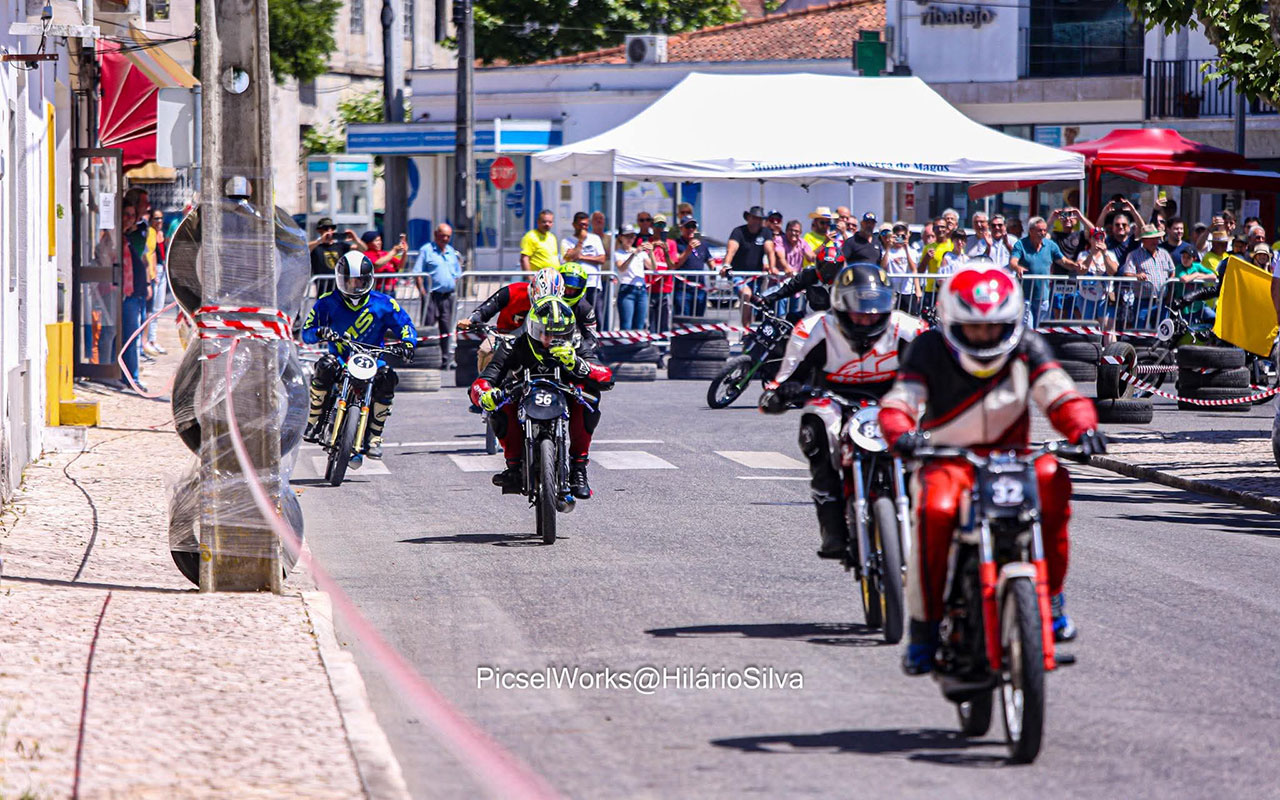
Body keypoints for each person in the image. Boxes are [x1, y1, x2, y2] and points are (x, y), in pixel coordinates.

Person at [878, 263, 1107, 674]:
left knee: (1053, 481)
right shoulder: (929, 348)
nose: (984, 334)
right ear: (952, 320)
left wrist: (1083, 427)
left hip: (1012, 459)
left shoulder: (1027, 345)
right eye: (974, 326)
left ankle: (1052, 600)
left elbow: (1058, 392)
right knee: (934, 512)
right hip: (947, 458)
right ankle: (924, 629)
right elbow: (902, 400)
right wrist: (899, 432)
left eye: (993, 326)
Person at [760, 263, 927, 558]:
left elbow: (941, 366)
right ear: (840, 305)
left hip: (894, 400)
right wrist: (779, 395)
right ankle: (833, 529)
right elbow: (783, 380)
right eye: (858, 309)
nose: (867, 315)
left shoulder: (910, 329)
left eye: (874, 308)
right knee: (816, 424)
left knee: (928, 431)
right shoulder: (813, 329)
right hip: (836, 399)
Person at [470, 296, 614, 499]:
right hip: (522, 393)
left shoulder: (576, 344)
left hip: (565, 393)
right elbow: (485, 379)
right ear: (533, 329)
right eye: (546, 333)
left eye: (560, 334)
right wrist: (486, 394)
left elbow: (606, 377)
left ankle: (578, 467)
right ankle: (513, 466)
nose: (552, 340)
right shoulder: (513, 345)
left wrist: (577, 364)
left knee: (589, 398)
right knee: (500, 406)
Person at [300, 251, 417, 459]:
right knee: (324, 365)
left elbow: (406, 325)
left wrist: (408, 344)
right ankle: (314, 421)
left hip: (373, 360)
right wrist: (320, 332)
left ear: (369, 279)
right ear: (340, 279)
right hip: (340, 359)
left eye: (360, 281)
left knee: (388, 376)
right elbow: (306, 332)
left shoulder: (385, 303)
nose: (354, 286)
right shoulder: (326, 302)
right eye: (349, 281)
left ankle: (374, 436)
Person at [414, 223, 463, 367]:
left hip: (448, 296)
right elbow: (418, 273)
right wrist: (423, 292)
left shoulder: (451, 251)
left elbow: (457, 274)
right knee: (429, 328)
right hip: (431, 296)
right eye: (442, 236)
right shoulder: (426, 250)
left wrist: (453, 286)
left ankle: (446, 359)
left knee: (446, 329)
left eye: (448, 236)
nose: (445, 239)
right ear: (436, 235)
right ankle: (426, 359)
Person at [755, 242, 844, 320]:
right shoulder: (808, 275)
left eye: (832, 268)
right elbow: (789, 288)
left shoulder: (844, 282)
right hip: (810, 316)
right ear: (818, 264)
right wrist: (767, 299)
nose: (828, 272)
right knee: (789, 319)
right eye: (825, 267)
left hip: (834, 320)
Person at [720, 206, 773, 327]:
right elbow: (731, 250)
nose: (757, 221)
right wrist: (726, 265)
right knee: (746, 294)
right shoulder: (738, 231)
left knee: (752, 305)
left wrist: (771, 266)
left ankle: (748, 331)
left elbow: (770, 250)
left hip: (757, 277)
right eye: (754, 218)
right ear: (748, 218)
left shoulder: (766, 232)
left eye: (760, 219)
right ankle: (746, 330)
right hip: (738, 275)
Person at [1010, 216, 1066, 324]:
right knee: (1028, 327)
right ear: (1031, 231)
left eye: (1045, 230)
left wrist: (1076, 266)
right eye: (1040, 230)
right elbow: (1013, 261)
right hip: (1026, 296)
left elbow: (1063, 261)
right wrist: (1017, 267)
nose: (1043, 233)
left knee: (1041, 329)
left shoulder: (1050, 245)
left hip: (1043, 296)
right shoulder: (1021, 244)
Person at [120, 202, 151, 391]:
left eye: (132, 216)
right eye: (126, 214)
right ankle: (131, 377)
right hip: (126, 295)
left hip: (136, 293)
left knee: (133, 337)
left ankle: (131, 376)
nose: (130, 219)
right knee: (130, 338)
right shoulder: (118, 238)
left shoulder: (130, 237)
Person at [1119, 225, 1176, 329]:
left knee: (1162, 330)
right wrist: (1137, 275)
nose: (1155, 241)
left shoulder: (1164, 254)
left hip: (1162, 300)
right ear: (1144, 240)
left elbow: (1172, 271)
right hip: (1143, 301)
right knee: (1140, 330)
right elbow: (1127, 273)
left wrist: (1170, 293)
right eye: (1151, 238)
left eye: (1156, 238)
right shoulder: (1134, 255)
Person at [561, 211, 607, 317]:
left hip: (593, 283)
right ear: (574, 225)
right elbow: (569, 258)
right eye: (581, 224)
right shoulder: (566, 241)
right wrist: (580, 241)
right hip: (575, 285)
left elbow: (602, 259)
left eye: (586, 225)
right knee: (578, 315)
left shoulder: (595, 238)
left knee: (595, 315)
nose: (584, 227)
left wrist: (581, 257)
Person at [613, 224, 650, 330]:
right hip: (626, 289)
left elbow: (653, 267)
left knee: (639, 325)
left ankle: (637, 342)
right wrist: (634, 254)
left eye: (632, 236)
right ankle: (626, 341)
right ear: (621, 237)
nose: (630, 239)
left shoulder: (641, 253)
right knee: (626, 325)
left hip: (641, 289)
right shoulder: (618, 253)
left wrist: (651, 252)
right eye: (627, 236)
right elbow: (621, 268)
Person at [672, 217, 712, 316]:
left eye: (693, 226)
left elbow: (710, 261)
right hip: (683, 290)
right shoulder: (676, 244)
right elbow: (676, 264)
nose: (690, 229)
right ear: (681, 228)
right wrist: (688, 249)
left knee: (698, 320)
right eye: (687, 226)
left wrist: (715, 274)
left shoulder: (702, 244)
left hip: (700, 289)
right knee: (683, 320)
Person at [309, 217, 359, 294]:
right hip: (322, 285)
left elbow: (363, 249)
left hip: (339, 284)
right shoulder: (316, 246)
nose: (329, 231)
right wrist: (320, 240)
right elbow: (305, 249)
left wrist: (355, 238)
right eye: (326, 229)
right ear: (319, 230)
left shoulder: (340, 245)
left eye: (332, 228)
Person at [646, 213, 677, 333]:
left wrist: (666, 252)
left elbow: (672, 266)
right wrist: (652, 248)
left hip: (665, 288)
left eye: (662, 225)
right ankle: (651, 342)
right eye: (657, 225)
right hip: (649, 287)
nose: (659, 228)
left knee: (664, 321)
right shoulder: (647, 242)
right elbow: (643, 261)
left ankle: (663, 343)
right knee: (650, 322)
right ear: (652, 226)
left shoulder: (671, 243)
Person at [143, 209, 169, 356]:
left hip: (163, 270)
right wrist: (152, 275)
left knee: (158, 308)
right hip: (155, 272)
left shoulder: (161, 234)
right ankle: (147, 341)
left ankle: (153, 339)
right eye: (156, 219)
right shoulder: (150, 233)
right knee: (151, 309)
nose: (159, 221)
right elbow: (149, 254)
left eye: (161, 218)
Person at [882, 222, 921, 313]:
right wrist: (888, 247)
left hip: (908, 290)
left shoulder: (912, 251)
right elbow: (883, 267)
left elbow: (913, 268)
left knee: (911, 316)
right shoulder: (887, 252)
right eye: (897, 236)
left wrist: (906, 247)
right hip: (893, 291)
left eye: (902, 236)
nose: (899, 238)